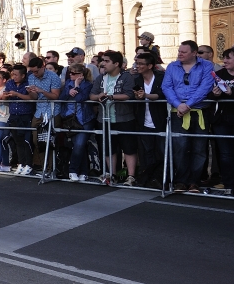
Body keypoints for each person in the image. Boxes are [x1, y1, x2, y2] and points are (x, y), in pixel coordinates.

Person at [162, 40, 215, 191]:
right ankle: (181, 180)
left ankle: (194, 181)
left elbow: (205, 87)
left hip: (199, 111)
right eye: (179, 51)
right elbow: (167, 86)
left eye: (183, 52)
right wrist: (178, 105)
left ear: (194, 53)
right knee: (180, 146)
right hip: (178, 111)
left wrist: (188, 104)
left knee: (199, 147)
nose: (180, 54)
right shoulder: (172, 66)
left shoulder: (206, 66)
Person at [90, 50, 138, 186]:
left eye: (106, 61)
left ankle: (131, 176)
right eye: (102, 61)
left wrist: (111, 97)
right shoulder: (101, 78)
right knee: (108, 148)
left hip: (124, 118)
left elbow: (129, 94)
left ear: (117, 63)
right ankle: (111, 174)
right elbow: (92, 95)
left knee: (129, 148)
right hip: (104, 118)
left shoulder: (126, 77)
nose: (103, 63)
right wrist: (99, 96)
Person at [133, 52, 167, 188]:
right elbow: (133, 97)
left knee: (162, 151)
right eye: (137, 63)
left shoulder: (161, 78)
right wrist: (137, 97)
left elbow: (162, 94)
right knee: (147, 152)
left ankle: (161, 178)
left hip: (160, 119)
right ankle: (148, 177)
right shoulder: (136, 79)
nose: (138, 66)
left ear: (150, 65)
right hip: (143, 120)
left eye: (141, 64)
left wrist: (145, 95)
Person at [59, 63, 96, 181]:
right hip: (71, 119)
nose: (71, 75)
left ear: (81, 75)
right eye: (70, 73)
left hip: (85, 119)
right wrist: (68, 92)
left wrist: (76, 86)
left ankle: (73, 169)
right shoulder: (67, 84)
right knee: (78, 146)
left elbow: (81, 98)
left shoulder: (88, 85)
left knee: (80, 144)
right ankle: (83, 171)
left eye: (74, 73)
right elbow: (61, 98)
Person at [209, 47, 234, 191]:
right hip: (222, 119)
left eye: (228, 58)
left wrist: (232, 93)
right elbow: (209, 95)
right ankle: (228, 184)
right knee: (225, 154)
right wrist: (215, 94)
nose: (224, 61)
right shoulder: (218, 74)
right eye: (224, 58)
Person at [5, 65, 34, 175]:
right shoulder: (10, 83)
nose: (14, 77)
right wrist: (5, 95)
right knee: (18, 141)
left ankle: (29, 164)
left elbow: (31, 98)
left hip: (25, 115)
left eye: (16, 75)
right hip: (14, 115)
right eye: (13, 74)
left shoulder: (28, 83)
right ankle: (21, 163)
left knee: (27, 141)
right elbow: (5, 96)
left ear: (23, 75)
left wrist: (17, 94)